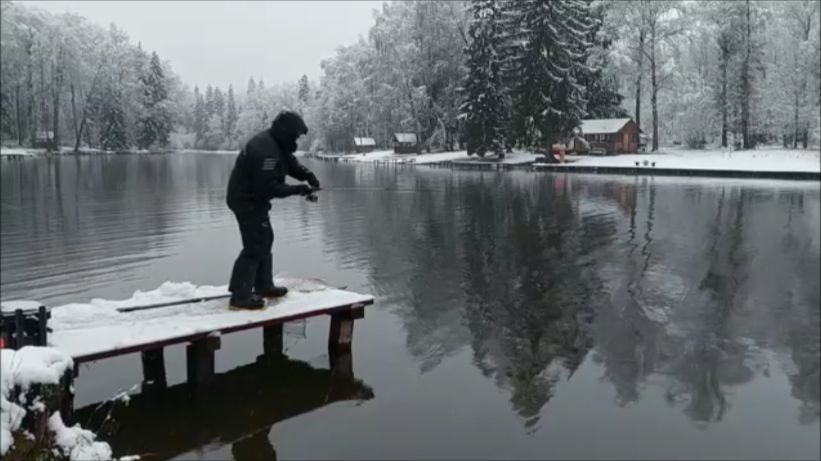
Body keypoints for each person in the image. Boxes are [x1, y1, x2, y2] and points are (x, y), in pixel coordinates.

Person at [225, 110, 320, 309]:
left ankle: (264, 286)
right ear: (286, 131)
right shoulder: (265, 150)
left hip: (255, 200)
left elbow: (290, 163)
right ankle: (240, 296)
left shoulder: (277, 144)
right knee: (255, 244)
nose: (296, 139)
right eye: (295, 135)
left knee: (265, 239)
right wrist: (299, 190)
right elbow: (268, 188)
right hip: (246, 201)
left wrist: (308, 176)